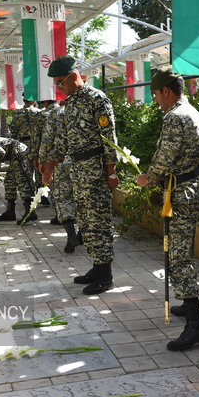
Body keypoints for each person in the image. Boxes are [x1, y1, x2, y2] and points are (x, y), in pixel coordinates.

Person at [137, 67, 199, 351]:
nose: (156, 100)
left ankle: (196, 324)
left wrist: (148, 178)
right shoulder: (193, 111)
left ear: (166, 91)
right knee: (182, 250)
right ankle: (187, 303)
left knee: (178, 257)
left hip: (180, 191)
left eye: (156, 94)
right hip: (193, 186)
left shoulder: (174, 117)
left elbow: (165, 158)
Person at [41, 56, 119, 295]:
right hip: (78, 171)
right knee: (85, 221)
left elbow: (109, 139)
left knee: (99, 222)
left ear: (74, 77)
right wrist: (50, 166)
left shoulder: (97, 99)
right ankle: (97, 266)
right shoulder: (70, 104)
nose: (58, 88)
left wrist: (111, 172)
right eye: (56, 84)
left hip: (95, 170)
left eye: (59, 83)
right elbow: (64, 140)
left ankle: (105, 275)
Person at [39, 102, 82, 253]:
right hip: (81, 160)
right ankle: (81, 234)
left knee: (63, 198)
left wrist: (43, 162)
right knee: (81, 196)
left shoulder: (55, 113)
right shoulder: (83, 109)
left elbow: (46, 139)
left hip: (59, 160)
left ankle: (71, 234)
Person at [9, 97, 50, 206]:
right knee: (39, 169)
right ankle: (42, 195)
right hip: (38, 143)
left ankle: (30, 197)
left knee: (26, 171)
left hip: (23, 144)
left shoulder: (17, 114)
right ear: (33, 101)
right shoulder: (39, 113)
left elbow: (13, 132)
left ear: (23, 100)